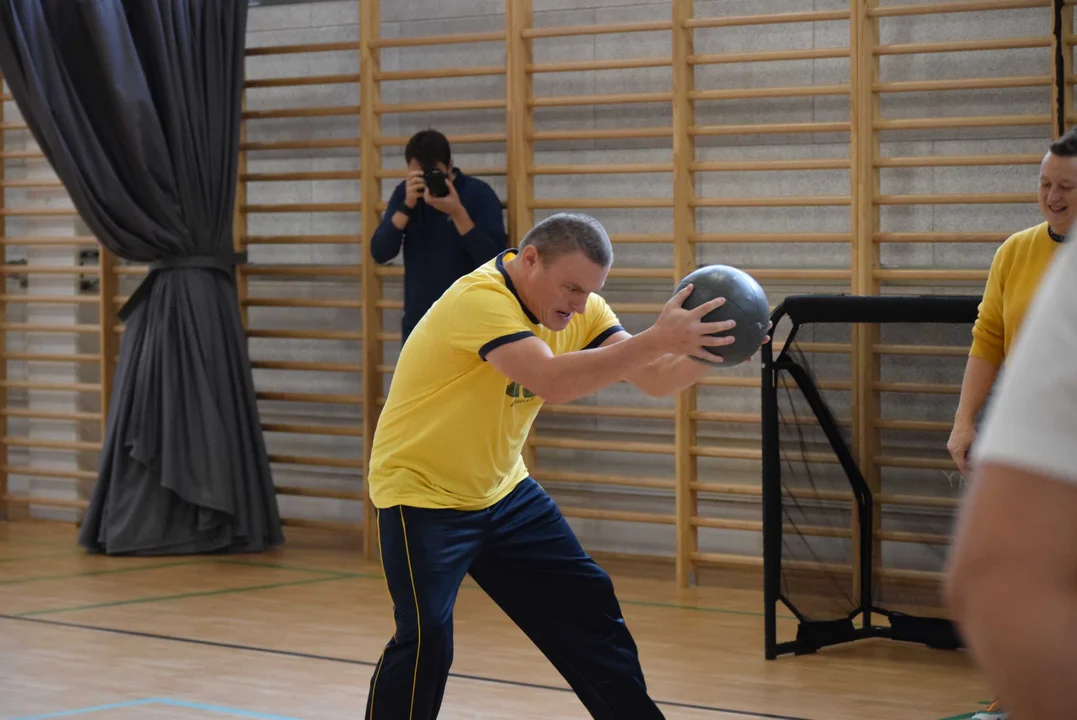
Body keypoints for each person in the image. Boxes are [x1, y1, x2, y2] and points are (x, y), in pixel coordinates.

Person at [363, 213, 769, 719]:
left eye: (589, 292)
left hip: (502, 493)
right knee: (425, 641)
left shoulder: (582, 309)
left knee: (587, 607)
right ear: (530, 259)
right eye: (571, 288)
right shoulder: (479, 299)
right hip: (421, 496)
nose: (579, 306)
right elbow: (549, 381)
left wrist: (709, 350)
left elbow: (656, 380)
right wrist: (660, 338)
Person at [945, 129, 1076, 720]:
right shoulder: (1016, 251)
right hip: (1036, 444)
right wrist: (965, 420)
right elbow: (988, 337)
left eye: (1067, 187)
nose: (1053, 196)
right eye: (1045, 184)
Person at [370, 128, 507, 342]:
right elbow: (379, 252)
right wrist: (406, 207)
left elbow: (496, 262)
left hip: (470, 323)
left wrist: (457, 212)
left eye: (434, 174)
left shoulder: (478, 194)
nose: (427, 182)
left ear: (450, 166)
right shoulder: (406, 195)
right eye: (419, 175)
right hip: (420, 322)